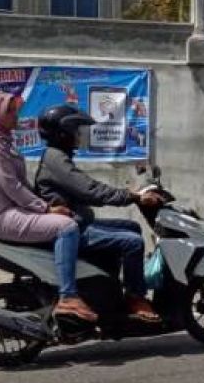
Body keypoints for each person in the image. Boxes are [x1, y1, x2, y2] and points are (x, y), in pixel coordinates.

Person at [0, 91, 97, 323]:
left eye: (15, 110)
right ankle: (68, 296)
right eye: (9, 111)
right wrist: (45, 209)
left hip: (1, 211)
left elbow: (18, 185)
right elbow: (11, 185)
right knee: (67, 227)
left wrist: (45, 205)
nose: (15, 116)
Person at [33, 104, 161, 323]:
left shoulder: (57, 156)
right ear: (63, 133)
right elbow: (89, 189)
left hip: (78, 221)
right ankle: (135, 297)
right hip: (73, 227)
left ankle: (109, 286)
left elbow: (84, 189)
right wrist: (133, 197)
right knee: (133, 243)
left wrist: (129, 193)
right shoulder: (56, 159)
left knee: (132, 227)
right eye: (75, 130)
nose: (79, 135)